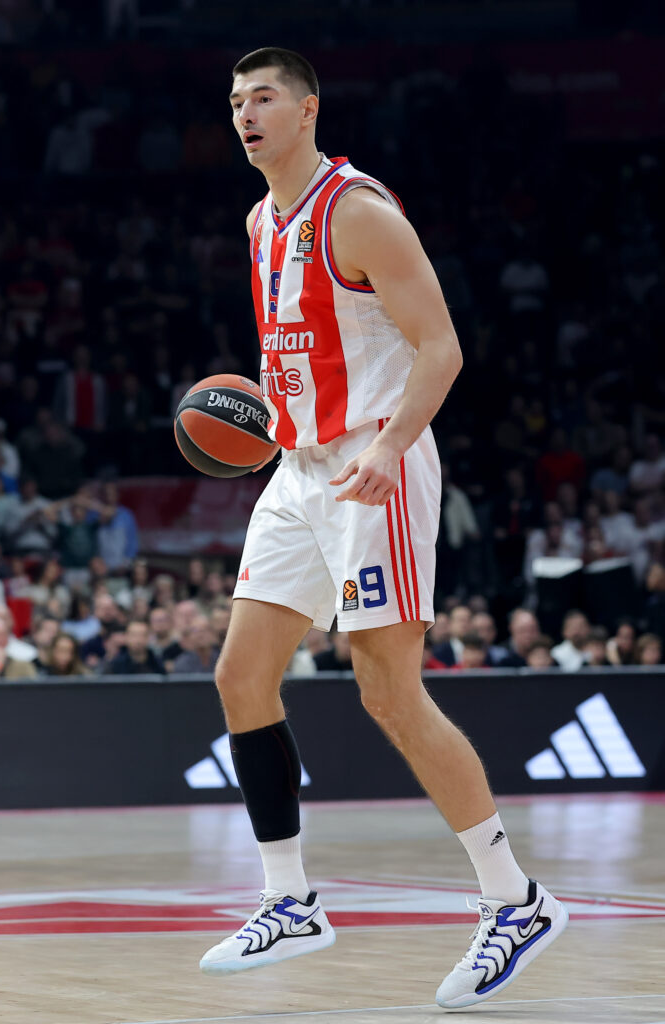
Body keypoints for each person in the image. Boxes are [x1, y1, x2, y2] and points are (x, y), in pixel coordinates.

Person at [200, 47, 567, 1007]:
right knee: (240, 674)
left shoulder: (357, 211)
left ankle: (513, 898)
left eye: (263, 97)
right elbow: (302, 348)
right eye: (236, 101)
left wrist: (386, 446)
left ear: (307, 108)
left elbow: (440, 348)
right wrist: (271, 426)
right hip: (301, 466)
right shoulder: (257, 220)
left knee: (388, 694)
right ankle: (290, 901)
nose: (245, 113)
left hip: (379, 464)